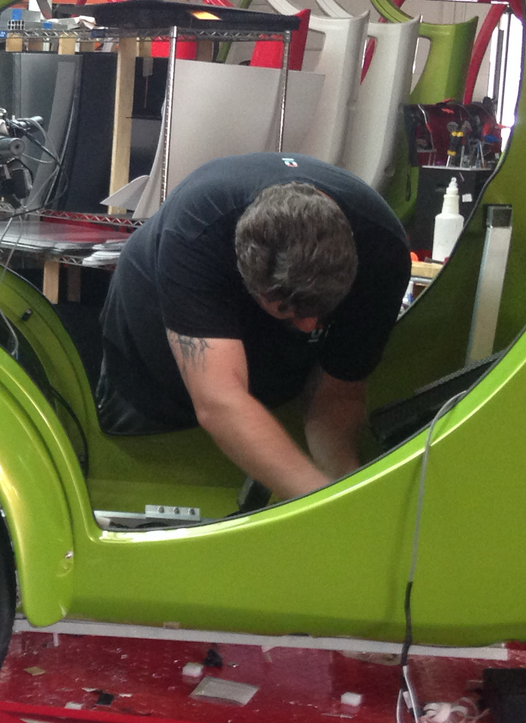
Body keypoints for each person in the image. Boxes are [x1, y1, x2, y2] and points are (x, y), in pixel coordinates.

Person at [95, 152, 411, 501]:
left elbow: (338, 393)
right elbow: (220, 403)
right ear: (246, 279)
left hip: (271, 387)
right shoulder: (198, 232)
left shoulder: (382, 253)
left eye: (324, 309)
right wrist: (321, 502)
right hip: (152, 376)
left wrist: (346, 489)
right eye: (289, 312)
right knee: (154, 492)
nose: (309, 326)